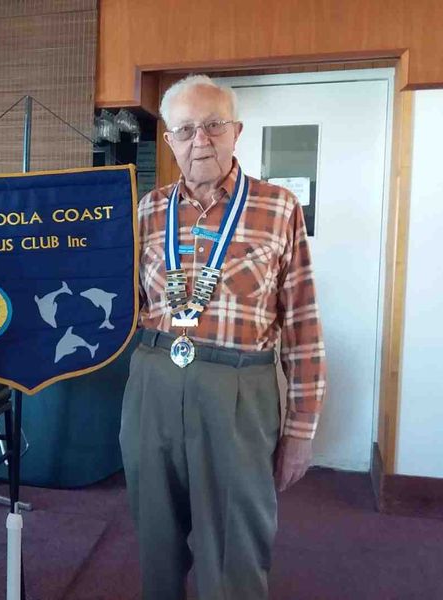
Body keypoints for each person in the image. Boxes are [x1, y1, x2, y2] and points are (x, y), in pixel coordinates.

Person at [120, 74, 327, 600]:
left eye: (214, 125)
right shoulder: (146, 210)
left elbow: (302, 323)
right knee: (156, 538)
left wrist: (301, 429)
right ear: (169, 139)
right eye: (186, 129)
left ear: (236, 131)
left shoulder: (279, 207)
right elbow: (125, 304)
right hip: (154, 381)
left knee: (235, 545)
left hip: (238, 389)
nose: (201, 140)